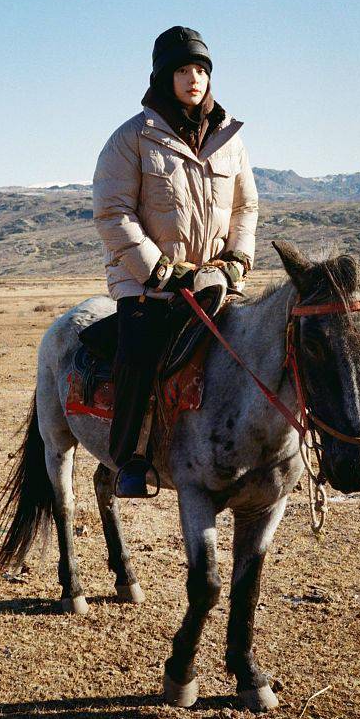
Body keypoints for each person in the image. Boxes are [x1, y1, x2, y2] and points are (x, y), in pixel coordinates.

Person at [92, 26, 259, 496]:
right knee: (139, 355)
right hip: (148, 285)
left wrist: (237, 259)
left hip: (215, 280)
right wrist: (160, 270)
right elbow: (112, 212)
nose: (194, 79)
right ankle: (129, 458)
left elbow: (246, 207)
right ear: (165, 77)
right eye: (184, 70)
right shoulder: (131, 139)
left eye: (202, 70)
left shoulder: (230, 140)